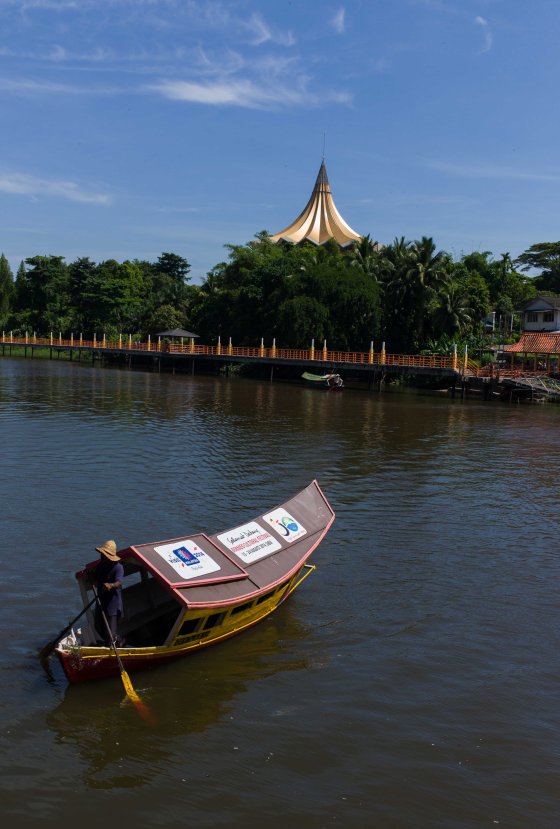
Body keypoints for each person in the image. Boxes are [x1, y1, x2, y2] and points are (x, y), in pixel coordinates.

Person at [92, 539, 124, 646]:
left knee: (111, 636)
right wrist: (91, 577)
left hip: (113, 604)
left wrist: (111, 585)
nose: (101, 555)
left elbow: (118, 583)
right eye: (101, 553)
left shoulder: (118, 567)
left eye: (103, 554)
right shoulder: (101, 565)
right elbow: (96, 577)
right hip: (101, 600)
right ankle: (108, 643)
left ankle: (119, 641)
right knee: (98, 626)